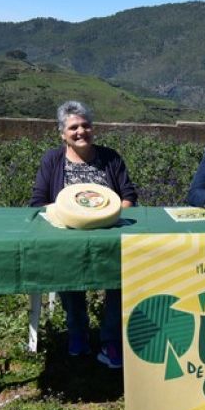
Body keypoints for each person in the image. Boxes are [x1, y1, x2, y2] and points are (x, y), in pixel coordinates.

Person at [30, 100, 137, 368]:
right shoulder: (52, 160)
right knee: (66, 269)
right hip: (68, 236)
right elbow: (38, 202)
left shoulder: (110, 158)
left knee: (121, 275)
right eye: (73, 127)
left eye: (86, 125)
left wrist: (110, 216)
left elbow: (128, 196)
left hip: (109, 234)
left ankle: (111, 339)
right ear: (62, 133)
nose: (81, 131)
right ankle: (77, 330)